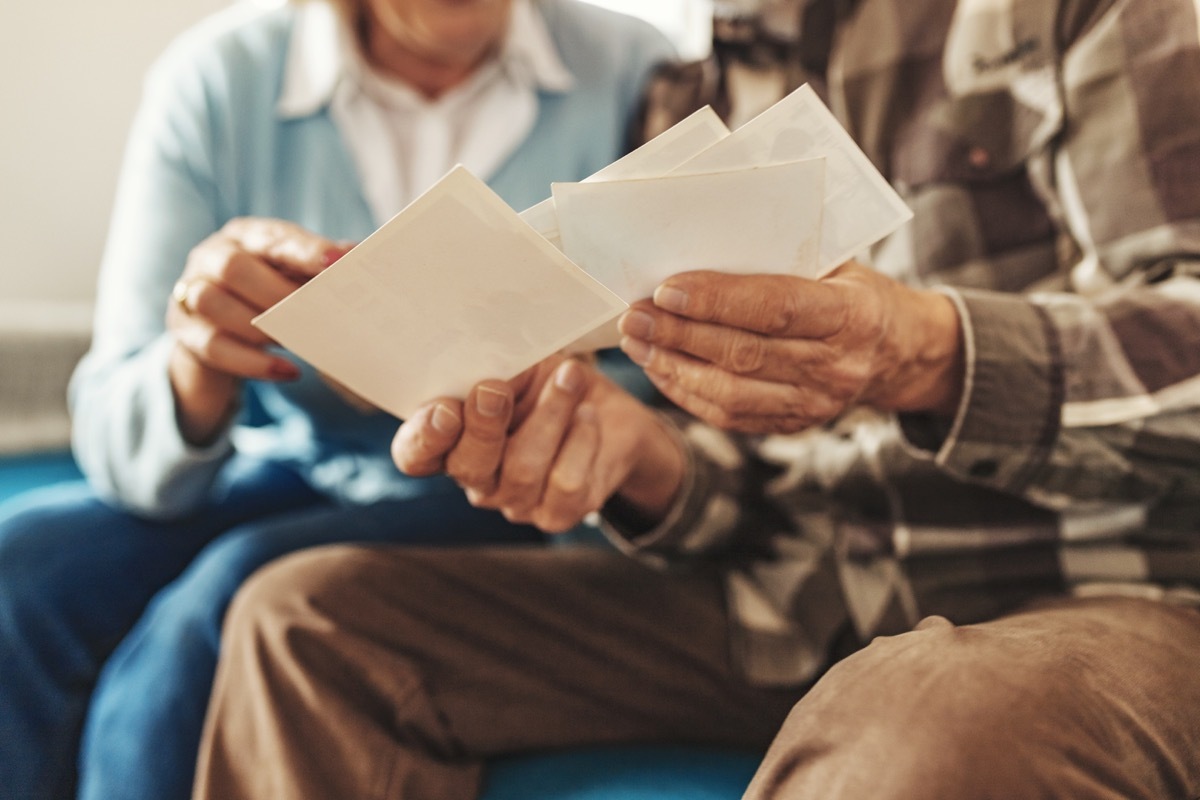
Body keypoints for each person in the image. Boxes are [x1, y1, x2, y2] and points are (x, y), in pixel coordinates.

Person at [190, 0, 1200, 797]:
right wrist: (632, 456)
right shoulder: (695, 87)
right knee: (303, 618)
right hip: (793, 588)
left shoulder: (1090, 13)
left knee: (941, 703)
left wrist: (923, 353)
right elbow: (747, 478)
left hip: (1100, 585)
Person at [0, 1, 674, 799]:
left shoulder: (638, 72)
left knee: (223, 598)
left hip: (496, 490)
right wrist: (199, 361)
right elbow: (119, 443)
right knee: (21, 569)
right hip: (303, 468)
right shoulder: (218, 80)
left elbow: (673, 390)